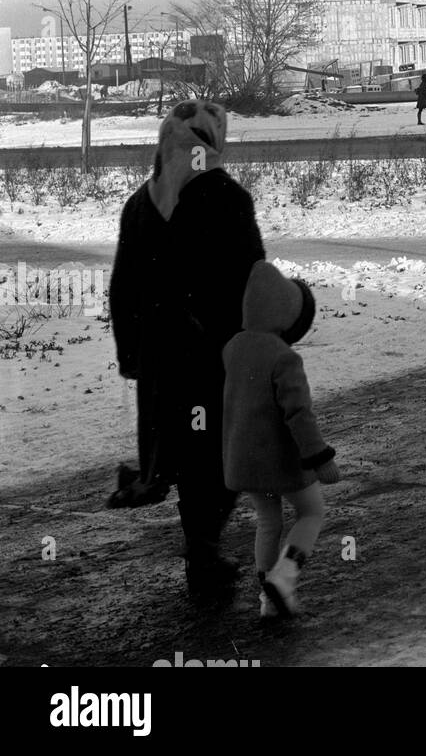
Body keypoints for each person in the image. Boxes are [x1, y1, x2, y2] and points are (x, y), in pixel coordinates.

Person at [108, 99, 266, 600]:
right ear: (214, 141)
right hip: (213, 358)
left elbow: (123, 286)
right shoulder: (227, 197)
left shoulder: (140, 204)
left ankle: (197, 541)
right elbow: (252, 282)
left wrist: (131, 352)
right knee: (219, 456)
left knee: (187, 449)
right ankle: (203, 553)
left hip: (161, 359)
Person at [223, 261, 339, 620]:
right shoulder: (284, 357)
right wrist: (320, 458)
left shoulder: (233, 348)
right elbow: (298, 415)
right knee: (312, 512)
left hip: (243, 459)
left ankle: (268, 598)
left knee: (268, 522)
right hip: (279, 459)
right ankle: (285, 577)